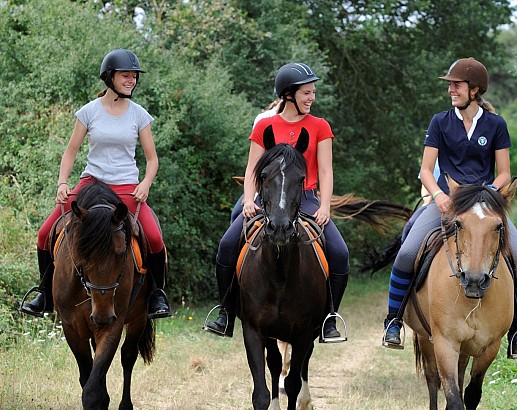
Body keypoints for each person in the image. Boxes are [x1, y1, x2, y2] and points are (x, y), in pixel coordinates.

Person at [382, 57, 517, 359]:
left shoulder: (495, 125)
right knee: (408, 252)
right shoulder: (440, 122)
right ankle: (393, 321)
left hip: (485, 205)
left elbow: (504, 172)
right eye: (450, 84)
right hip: (446, 203)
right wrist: (438, 196)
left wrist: (487, 196)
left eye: (457, 84)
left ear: (474, 89)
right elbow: (426, 169)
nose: (451, 89)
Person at [21, 49, 171, 320]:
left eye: (134, 76)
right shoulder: (89, 112)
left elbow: (152, 159)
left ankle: (156, 295)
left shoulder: (139, 115)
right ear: (109, 77)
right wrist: (62, 183)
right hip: (91, 183)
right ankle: (44, 293)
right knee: (45, 233)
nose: (132, 80)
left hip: (127, 188)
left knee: (155, 239)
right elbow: (70, 151)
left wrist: (146, 183)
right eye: (126, 75)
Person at [205, 62, 349, 341]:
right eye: (306, 93)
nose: (312, 98)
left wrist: (324, 206)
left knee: (340, 253)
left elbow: (327, 170)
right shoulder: (265, 126)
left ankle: (329, 318)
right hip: (266, 199)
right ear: (288, 95)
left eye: (313, 92)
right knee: (226, 246)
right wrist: (248, 200)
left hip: (305, 198)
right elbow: (251, 169)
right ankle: (225, 312)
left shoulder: (320, 127)